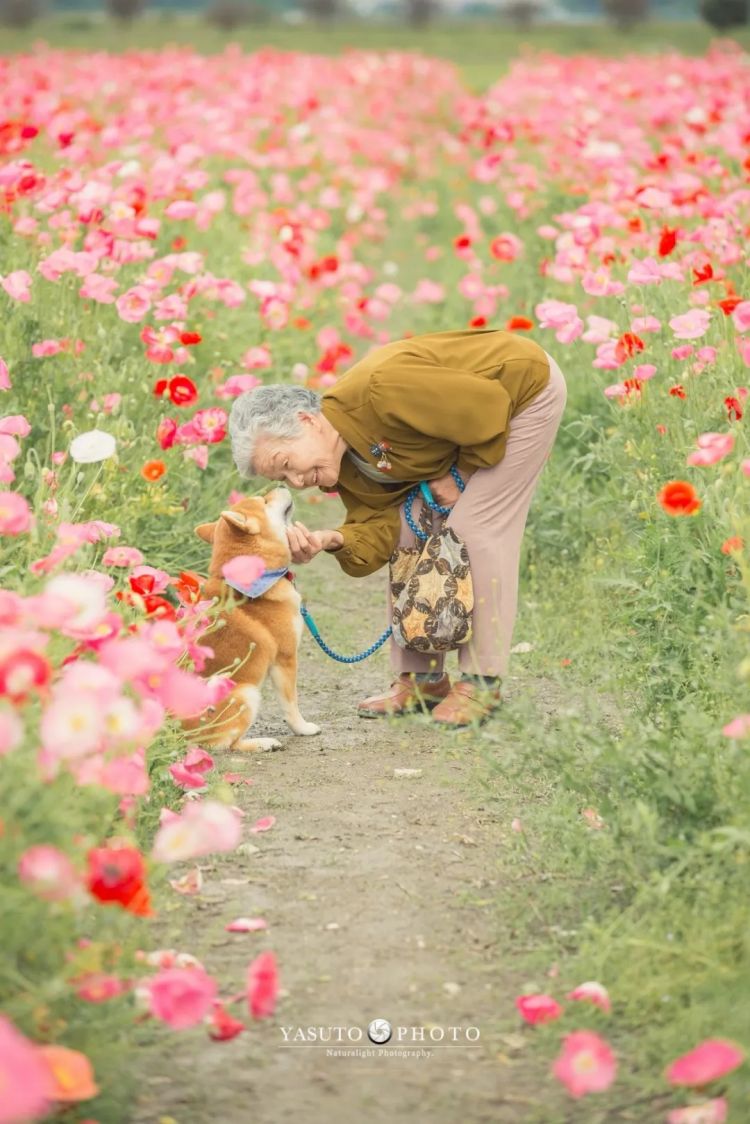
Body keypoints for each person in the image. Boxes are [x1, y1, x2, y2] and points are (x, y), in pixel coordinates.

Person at [228, 328, 567, 728]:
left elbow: (489, 406)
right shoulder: (340, 465)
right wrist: (331, 539)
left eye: (286, 463)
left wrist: (462, 471)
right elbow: (382, 525)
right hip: (470, 427)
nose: (297, 482)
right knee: (410, 531)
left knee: (475, 530)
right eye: (282, 479)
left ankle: (481, 683)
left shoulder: (381, 390)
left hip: (522, 396)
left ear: (307, 421)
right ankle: (423, 679)